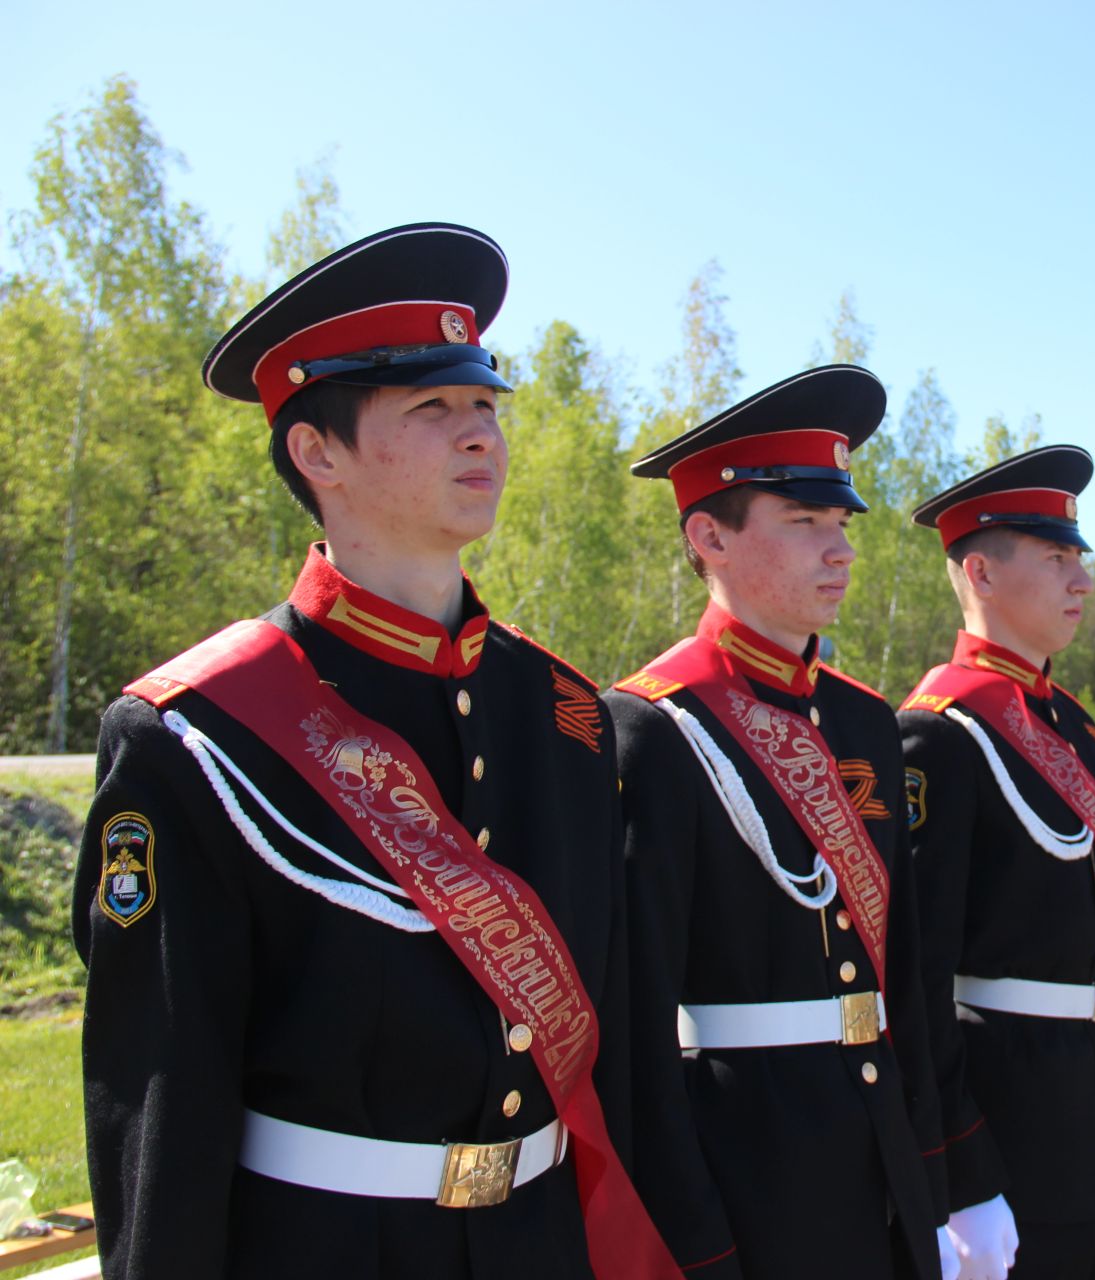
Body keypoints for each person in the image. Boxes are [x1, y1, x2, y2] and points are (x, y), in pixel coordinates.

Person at [72, 224, 676, 1279]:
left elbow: (607, 1048)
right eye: (432, 408)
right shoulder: (199, 729)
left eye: (486, 403)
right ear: (318, 452)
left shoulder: (564, 710)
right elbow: (163, 1093)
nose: (480, 433)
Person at [606, 366, 950, 1279]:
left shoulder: (866, 720)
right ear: (708, 536)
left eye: (840, 525)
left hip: (879, 1159)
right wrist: (696, 1241)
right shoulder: (655, 724)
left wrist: (936, 1176)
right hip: (751, 1170)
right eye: (802, 523)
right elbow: (637, 1028)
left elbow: (903, 971)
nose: (838, 551)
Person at [901, 446, 1095, 1280]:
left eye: (1077, 559)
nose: (1082, 582)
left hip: (1092, 1092)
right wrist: (961, 1168)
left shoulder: (1075, 729)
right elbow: (919, 977)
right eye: (1057, 560)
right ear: (980, 572)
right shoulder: (939, 732)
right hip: (1006, 1106)